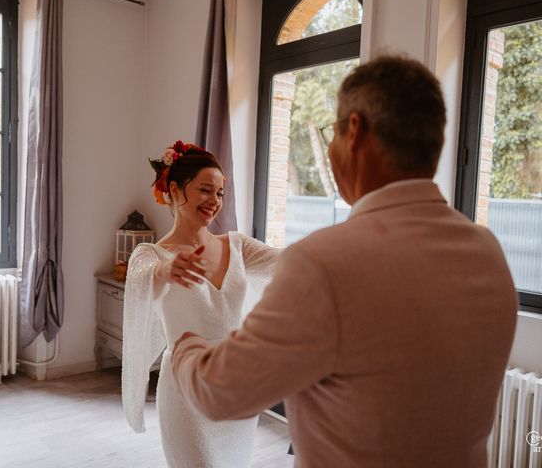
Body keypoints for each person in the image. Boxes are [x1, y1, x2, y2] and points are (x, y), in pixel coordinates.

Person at [170, 56, 519, 467]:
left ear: (354, 131)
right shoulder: (488, 253)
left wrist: (185, 345)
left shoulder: (323, 264)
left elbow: (219, 393)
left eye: (331, 131)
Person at [121, 141, 280, 468]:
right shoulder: (150, 255)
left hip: (236, 383)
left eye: (220, 193)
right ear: (175, 191)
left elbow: (293, 264)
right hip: (185, 387)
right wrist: (165, 271)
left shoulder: (238, 246)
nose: (215, 201)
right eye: (205, 190)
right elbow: (141, 281)